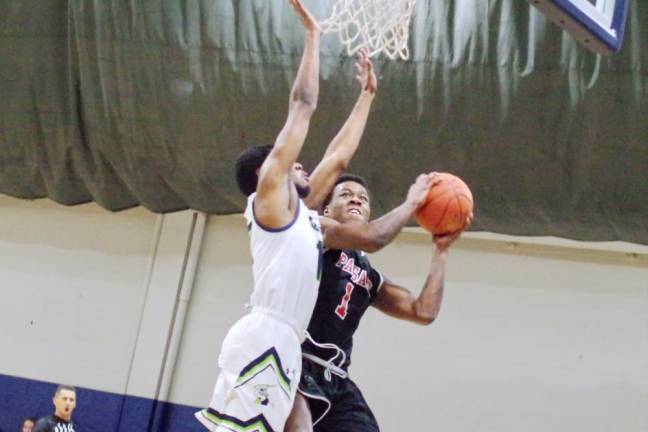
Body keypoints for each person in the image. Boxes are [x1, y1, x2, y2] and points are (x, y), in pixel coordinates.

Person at [285, 174, 470, 432]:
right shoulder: (315, 231)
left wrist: (441, 250)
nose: (356, 200)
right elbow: (375, 239)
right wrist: (412, 203)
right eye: (346, 194)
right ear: (327, 208)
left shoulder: (369, 277)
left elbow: (423, 311)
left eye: (363, 198)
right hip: (294, 361)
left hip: (335, 378)